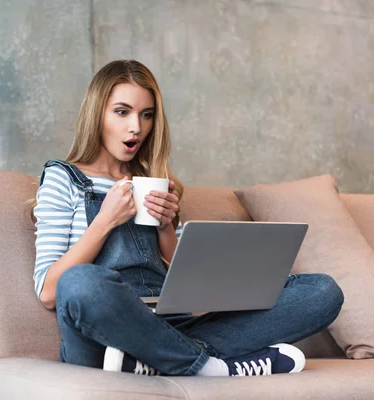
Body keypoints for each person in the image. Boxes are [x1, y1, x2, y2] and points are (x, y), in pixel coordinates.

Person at [31, 59, 344, 377]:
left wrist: (167, 225)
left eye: (147, 115)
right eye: (122, 112)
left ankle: (153, 362)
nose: (136, 127)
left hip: (172, 322)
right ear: (97, 113)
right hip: (101, 335)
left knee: (323, 292)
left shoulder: (154, 181)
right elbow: (49, 291)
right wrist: (105, 221)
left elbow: (186, 287)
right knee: (81, 283)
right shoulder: (64, 178)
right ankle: (210, 368)